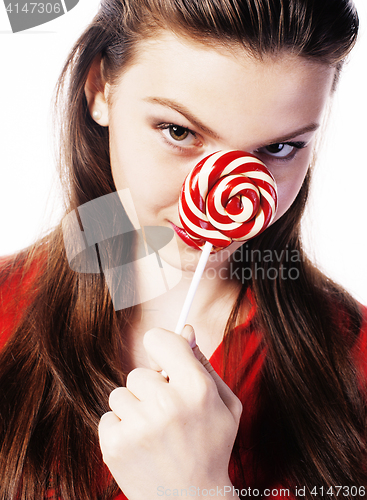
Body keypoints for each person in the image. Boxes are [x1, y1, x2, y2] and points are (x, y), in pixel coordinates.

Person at [0, 0, 366, 499]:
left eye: (278, 148)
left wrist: (195, 492)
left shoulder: (356, 361)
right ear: (99, 90)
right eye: (179, 131)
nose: (222, 190)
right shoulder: (5, 306)